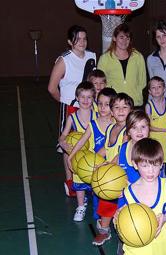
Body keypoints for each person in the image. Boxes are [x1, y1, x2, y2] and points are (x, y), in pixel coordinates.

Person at [47, 25, 96, 197]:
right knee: (68, 145)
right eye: (78, 39)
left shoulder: (92, 56)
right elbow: (52, 88)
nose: (82, 42)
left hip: (89, 106)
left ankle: (87, 177)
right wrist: (65, 101)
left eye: (84, 38)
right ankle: (71, 182)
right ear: (70, 42)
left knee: (89, 142)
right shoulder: (64, 59)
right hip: (69, 106)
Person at [116, 138, 166, 255]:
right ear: (135, 165)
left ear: (161, 164)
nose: (151, 171)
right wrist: (118, 217)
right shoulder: (129, 192)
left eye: (155, 165)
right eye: (145, 166)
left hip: (164, 246)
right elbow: (126, 214)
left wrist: (165, 218)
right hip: (137, 249)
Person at [92, 93, 134, 246]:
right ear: (111, 110)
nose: (121, 110)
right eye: (116, 107)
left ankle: (128, 234)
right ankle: (104, 231)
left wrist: (108, 165)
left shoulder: (130, 130)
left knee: (124, 205)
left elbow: (121, 153)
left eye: (125, 107)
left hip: (124, 173)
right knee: (106, 200)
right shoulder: (110, 128)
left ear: (131, 109)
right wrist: (94, 160)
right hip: (110, 173)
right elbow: (106, 148)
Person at [58, 81, 96, 222]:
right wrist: (63, 142)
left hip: (94, 154)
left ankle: (94, 201)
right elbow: (63, 135)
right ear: (77, 98)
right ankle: (80, 206)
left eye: (89, 97)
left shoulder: (97, 115)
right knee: (79, 180)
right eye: (82, 97)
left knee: (96, 180)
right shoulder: (72, 117)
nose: (85, 100)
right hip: (79, 156)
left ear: (93, 98)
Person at [97, 23, 146, 107]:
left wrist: (135, 92)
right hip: (114, 104)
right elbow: (100, 82)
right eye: (121, 37)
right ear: (114, 38)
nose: (124, 41)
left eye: (127, 38)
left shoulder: (138, 57)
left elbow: (142, 82)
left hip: (135, 103)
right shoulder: (104, 58)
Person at [145, 76, 166, 164]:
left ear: (164, 89)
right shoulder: (149, 106)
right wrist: (165, 130)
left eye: (159, 87)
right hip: (155, 141)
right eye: (153, 87)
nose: (156, 89)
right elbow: (148, 126)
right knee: (157, 164)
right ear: (149, 91)